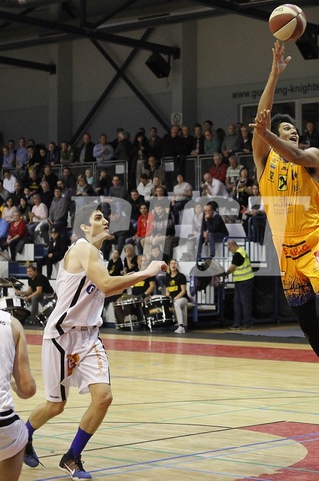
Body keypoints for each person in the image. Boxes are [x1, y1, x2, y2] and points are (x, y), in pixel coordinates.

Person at [22, 203, 166, 479]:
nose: (105, 221)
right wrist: (145, 273)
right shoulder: (81, 248)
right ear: (84, 228)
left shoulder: (97, 255)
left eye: (105, 217)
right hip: (61, 336)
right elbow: (107, 285)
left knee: (104, 397)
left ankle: (72, 456)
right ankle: (24, 435)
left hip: (89, 337)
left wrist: (135, 277)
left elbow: (108, 286)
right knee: (56, 406)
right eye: (97, 218)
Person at [250, 41, 319, 415]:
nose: (291, 131)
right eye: (284, 127)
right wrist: (274, 73)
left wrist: (272, 135)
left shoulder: (311, 157)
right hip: (287, 252)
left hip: (315, 242)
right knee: (308, 324)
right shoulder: (263, 161)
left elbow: (286, 148)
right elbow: (263, 118)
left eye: (293, 129)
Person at [0, 311, 36, 481]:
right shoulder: (12, 323)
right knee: (20, 435)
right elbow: (27, 389)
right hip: (3, 423)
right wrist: (13, 384)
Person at [225, 239, 255, 330]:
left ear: (233, 245)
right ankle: (237, 322)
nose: (229, 251)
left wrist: (225, 274)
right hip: (240, 281)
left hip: (244, 280)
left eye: (229, 249)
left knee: (244, 302)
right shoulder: (241, 252)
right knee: (237, 302)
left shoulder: (239, 254)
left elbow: (232, 268)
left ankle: (247, 322)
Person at [165, 259, 189, 334]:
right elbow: (167, 292)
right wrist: (166, 298)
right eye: (171, 263)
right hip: (173, 299)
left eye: (175, 263)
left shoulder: (181, 276)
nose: (173, 265)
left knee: (176, 303)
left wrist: (175, 298)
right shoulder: (167, 278)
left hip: (182, 298)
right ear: (169, 266)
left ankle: (181, 326)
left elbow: (183, 291)